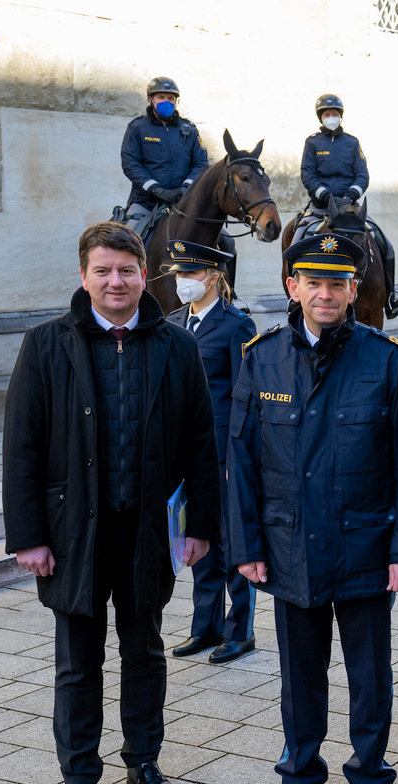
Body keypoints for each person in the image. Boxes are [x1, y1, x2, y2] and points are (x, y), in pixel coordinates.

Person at [2, 222, 221, 784]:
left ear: (142, 275)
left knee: (145, 654)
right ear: (84, 277)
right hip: (74, 535)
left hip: (147, 531)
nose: (115, 281)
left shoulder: (176, 348)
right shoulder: (46, 345)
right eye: (103, 271)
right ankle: (77, 783)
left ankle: (144, 764)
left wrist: (200, 526)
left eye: (125, 270)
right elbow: (21, 446)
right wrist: (29, 536)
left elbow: (202, 443)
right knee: (77, 664)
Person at [228, 233, 398, 784]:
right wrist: (246, 546)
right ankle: (300, 777)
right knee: (299, 672)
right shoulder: (260, 357)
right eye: (312, 281)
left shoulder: (389, 360)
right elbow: (240, 460)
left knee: (369, 673)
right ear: (292, 286)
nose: (325, 293)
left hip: (366, 546)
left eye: (337, 282)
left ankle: (370, 779)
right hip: (289, 546)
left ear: (353, 289)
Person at [162, 240, 258, 664]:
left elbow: (244, 397)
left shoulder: (237, 325)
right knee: (196, 539)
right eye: (179, 274)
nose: (184, 282)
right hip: (185, 451)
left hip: (222, 452)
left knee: (232, 542)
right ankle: (205, 627)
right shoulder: (172, 322)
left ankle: (240, 631)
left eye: (192, 274)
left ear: (215, 276)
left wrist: (237, 459)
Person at [299, 94, 398, 316]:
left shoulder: (352, 142)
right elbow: (307, 174)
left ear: (341, 116)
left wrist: (349, 195)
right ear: (321, 117)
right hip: (321, 206)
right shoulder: (312, 143)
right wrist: (325, 195)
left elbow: (362, 175)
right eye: (327, 114)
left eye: (335, 114)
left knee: (385, 243)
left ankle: (391, 296)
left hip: (350, 208)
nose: (331, 118)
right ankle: (296, 297)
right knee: (299, 236)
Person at [120, 77, 209, 238]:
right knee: (128, 241)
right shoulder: (137, 128)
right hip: (145, 202)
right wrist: (156, 189)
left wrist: (185, 189)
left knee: (224, 242)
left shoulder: (190, 129)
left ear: (176, 101)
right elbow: (130, 163)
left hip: (184, 202)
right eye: (161, 97)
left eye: (170, 98)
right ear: (150, 99)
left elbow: (201, 163)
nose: (166, 102)